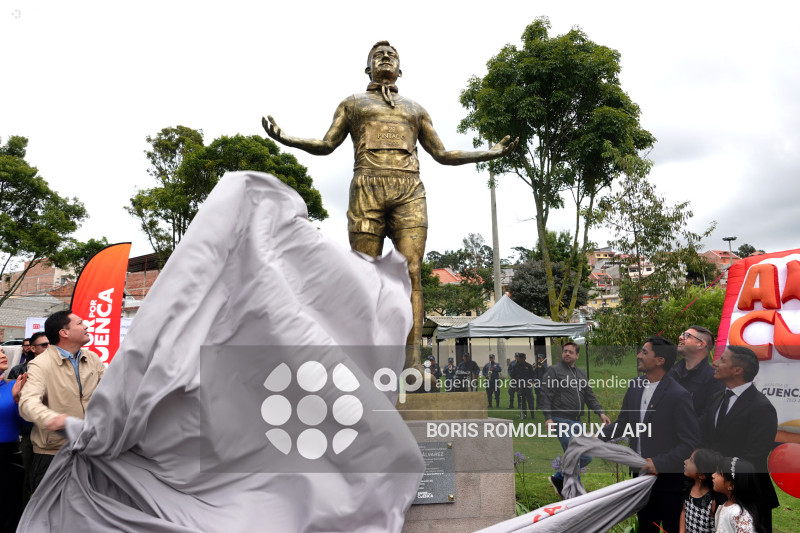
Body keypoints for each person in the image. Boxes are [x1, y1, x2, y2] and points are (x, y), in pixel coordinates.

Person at [262, 41, 517, 370]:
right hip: (367, 187)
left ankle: (411, 365)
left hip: (409, 191)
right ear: (368, 68)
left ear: (400, 69)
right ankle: (364, 364)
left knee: (412, 275)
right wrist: (287, 138)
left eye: (392, 54)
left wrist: (488, 152)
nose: (385, 56)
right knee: (364, 276)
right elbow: (327, 144)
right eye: (377, 55)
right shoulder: (353, 104)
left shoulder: (415, 109)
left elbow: (442, 154)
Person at [598, 336, 699, 533]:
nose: (638, 355)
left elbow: (690, 442)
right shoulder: (635, 386)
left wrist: (659, 463)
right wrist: (595, 437)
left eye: (644, 352)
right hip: (640, 481)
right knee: (646, 528)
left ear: (660, 360)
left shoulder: (678, 395)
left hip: (669, 484)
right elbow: (624, 422)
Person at [18, 310, 105, 492]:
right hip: (53, 453)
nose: (86, 326)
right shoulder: (40, 364)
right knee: (52, 516)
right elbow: (27, 404)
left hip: (90, 450)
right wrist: (53, 419)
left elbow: (112, 393)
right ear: (63, 333)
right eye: (80, 323)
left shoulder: (93, 359)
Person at [701, 346, 778, 532]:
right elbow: (705, 438)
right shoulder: (716, 398)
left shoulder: (762, 408)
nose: (715, 363)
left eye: (723, 360)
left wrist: (720, 477)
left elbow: (752, 457)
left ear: (738, 370)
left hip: (747, 496)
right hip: (716, 490)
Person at [543, 342, 611, 494]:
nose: (567, 354)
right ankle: (577, 495)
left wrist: (600, 412)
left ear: (577, 355)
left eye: (570, 352)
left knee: (587, 456)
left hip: (577, 422)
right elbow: (546, 395)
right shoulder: (554, 371)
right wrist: (548, 417)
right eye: (565, 351)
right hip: (561, 419)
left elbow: (589, 395)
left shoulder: (580, 374)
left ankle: (559, 477)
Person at [6, 331, 47, 501]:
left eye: (51, 344)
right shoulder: (19, 371)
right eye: (44, 345)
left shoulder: (59, 369)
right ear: (32, 348)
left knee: (44, 480)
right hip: (27, 433)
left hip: (50, 433)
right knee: (23, 476)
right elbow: (11, 401)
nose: (49, 348)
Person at [0, 347, 28, 532]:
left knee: (9, 506)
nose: (3, 356)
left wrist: (19, 400)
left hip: (8, 456)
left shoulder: (14, 387)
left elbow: (27, 425)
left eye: (2, 351)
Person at [670, 326, 725, 419]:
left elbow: (709, 418)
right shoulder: (671, 373)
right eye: (682, 334)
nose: (680, 337)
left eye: (687, 335)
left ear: (701, 344)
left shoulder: (715, 379)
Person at [712, 457, 761, 533]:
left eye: (718, 473)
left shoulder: (738, 514)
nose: (713, 475)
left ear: (731, 485)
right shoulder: (727, 504)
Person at [680, 448, 722, 533]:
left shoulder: (713, 501)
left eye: (691, 461)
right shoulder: (688, 488)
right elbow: (684, 511)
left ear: (702, 475)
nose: (685, 461)